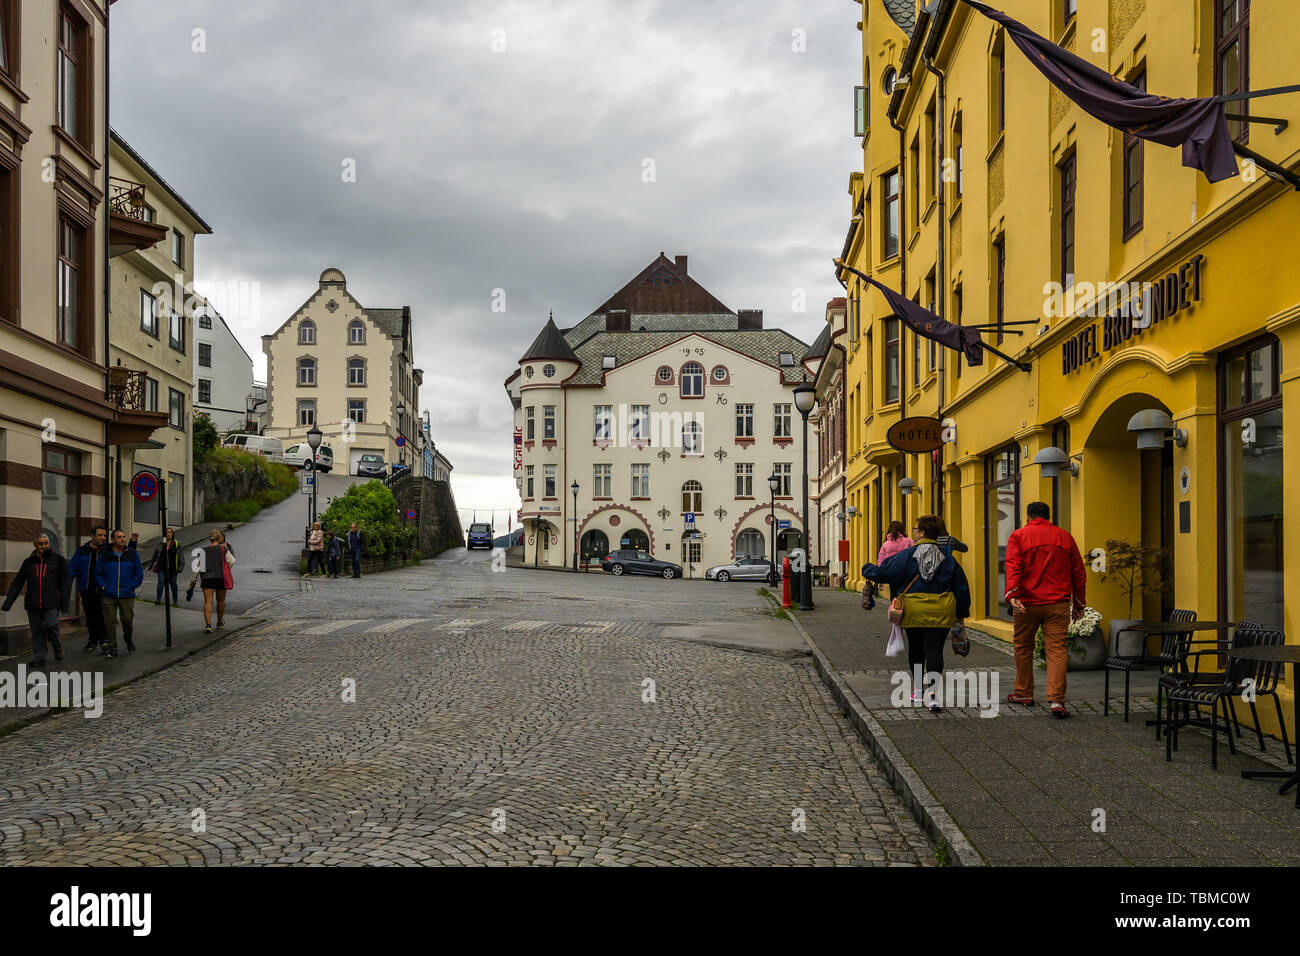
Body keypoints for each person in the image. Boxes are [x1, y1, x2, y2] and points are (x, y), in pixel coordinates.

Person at [862, 514, 971, 712]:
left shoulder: (906, 555)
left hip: (913, 610)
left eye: (915, 528)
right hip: (941, 610)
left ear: (921, 532)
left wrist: (867, 569)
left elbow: (884, 572)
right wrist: (961, 613)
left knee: (916, 649)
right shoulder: (947, 557)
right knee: (934, 650)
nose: (913, 531)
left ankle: (918, 691)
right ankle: (934, 695)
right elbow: (961, 586)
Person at [1005, 501, 1087, 719]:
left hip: (1027, 603)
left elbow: (1013, 566)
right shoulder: (1064, 537)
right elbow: (1078, 571)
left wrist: (1011, 595)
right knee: (1057, 650)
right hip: (1058, 603)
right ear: (1048, 516)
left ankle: (1023, 692)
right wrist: (1079, 604)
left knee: (1023, 647)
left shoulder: (1019, 536)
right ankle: (1057, 700)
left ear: (1028, 516)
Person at [2, 534, 70, 667]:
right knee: (37, 630)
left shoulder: (58, 560)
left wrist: (64, 602)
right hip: (33, 603)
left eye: (46, 543)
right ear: (35, 545)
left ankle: (57, 646)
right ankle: (40, 657)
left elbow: (65, 582)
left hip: (52, 602)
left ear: (49, 544)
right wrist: (8, 603)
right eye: (40, 544)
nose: (43, 546)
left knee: (50, 624)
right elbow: (17, 582)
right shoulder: (28, 562)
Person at [95, 530, 143, 658]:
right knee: (109, 622)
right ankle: (112, 647)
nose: (122, 539)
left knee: (127, 620)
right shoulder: (104, 554)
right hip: (108, 595)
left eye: (123, 537)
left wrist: (131, 586)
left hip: (126, 594)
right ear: (113, 540)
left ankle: (128, 639)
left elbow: (138, 573)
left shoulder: (132, 554)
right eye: (119, 537)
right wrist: (103, 586)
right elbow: (98, 573)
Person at [68, 525, 109, 651]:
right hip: (86, 588)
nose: (103, 538)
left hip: (102, 589)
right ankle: (92, 641)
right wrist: (66, 582)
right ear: (92, 536)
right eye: (100, 535)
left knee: (101, 615)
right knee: (90, 616)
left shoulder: (106, 551)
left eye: (104, 535)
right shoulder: (82, 550)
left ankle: (104, 641)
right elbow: (72, 567)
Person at [200, 528, 234, 634]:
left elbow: (198, 567)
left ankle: (208, 625)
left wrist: (193, 580)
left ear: (210, 538)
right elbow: (232, 561)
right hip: (220, 577)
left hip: (206, 578)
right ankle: (219, 622)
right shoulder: (223, 548)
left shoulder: (203, 551)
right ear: (219, 538)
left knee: (207, 602)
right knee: (220, 601)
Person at [150, 527, 181, 605]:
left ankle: (175, 601)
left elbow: (181, 557)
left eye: (169, 532)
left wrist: (180, 567)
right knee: (161, 582)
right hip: (161, 567)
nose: (168, 534)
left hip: (173, 568)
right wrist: (151, 565)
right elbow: (155, 555)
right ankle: (158, 599)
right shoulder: (161, 544)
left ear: (172, 534)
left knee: (173, 584)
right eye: (166, 532)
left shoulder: (177, 544)